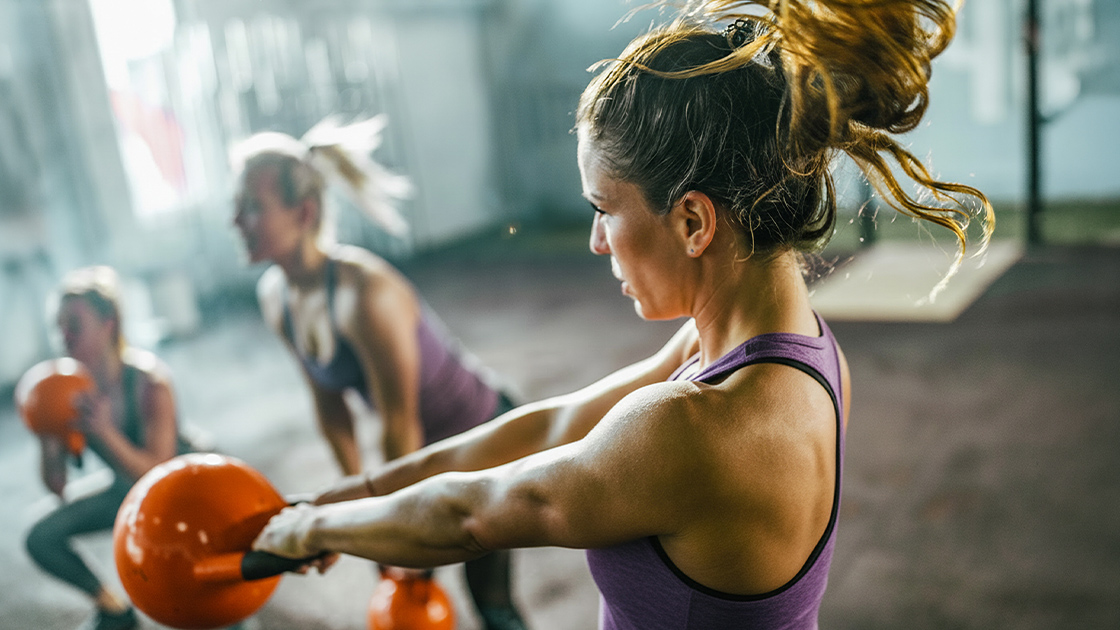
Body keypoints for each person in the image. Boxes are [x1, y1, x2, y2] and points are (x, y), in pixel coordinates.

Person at [251, 1, 994, 628]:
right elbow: (545, 427)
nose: (596, 239)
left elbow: (474, 515)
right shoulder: (789, 350)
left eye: (606, 209)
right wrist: (337, 501)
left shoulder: (695, 428)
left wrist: (310, 530)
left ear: (695, 222)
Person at [230, 116, 528, 630]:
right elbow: (330, 409)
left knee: (491, 602)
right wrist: (357, 501)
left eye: (253, 207)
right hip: (420, 446)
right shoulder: (276, 297)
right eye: (236, 207)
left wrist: (391, 524)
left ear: (303, 212)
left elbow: (398, 425)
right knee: (404, 585)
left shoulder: (364, 293)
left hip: (483, 437)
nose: (237, 221)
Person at [23, 266, 190, 630]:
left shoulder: (150, 382)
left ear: (108, 323)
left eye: (74, 325)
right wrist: (47, 437)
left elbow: (156, 474)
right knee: (40, 537)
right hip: (125, 494)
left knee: (200, 607)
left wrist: (104, 432)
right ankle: (115, 610)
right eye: (59, 327)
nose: (64, 337)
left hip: (180, 498)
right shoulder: (69, 390)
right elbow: (57, 486)